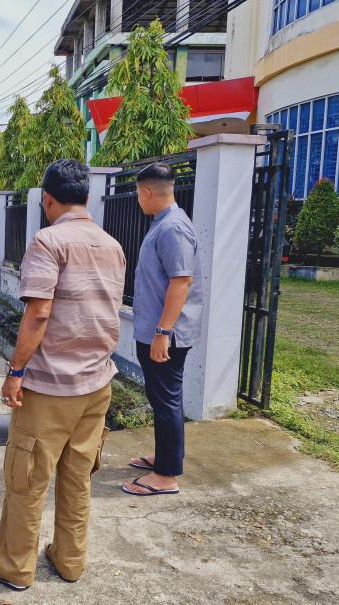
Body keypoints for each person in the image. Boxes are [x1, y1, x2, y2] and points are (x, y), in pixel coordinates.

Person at [0, 160, 126, 592]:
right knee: (78, 478)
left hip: (50, 387)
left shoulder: (48, 241)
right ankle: (69, 560)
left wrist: (15, 371)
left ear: (48, 199)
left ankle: (14, 567)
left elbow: (39, 312)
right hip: (97, 384)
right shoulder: (113, 245)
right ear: (86, 197)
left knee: (26, 480)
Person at [123, 162, 203, 497]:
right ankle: (166, 457)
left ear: (146, 192)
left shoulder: (172, 228)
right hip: (159, 331)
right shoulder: (165, 223)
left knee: (167, 399)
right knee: (160, 398)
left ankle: (167, 475)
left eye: (139, 196)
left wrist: (162, 332)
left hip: (166, 335)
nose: (139, 202)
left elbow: (181, 281)